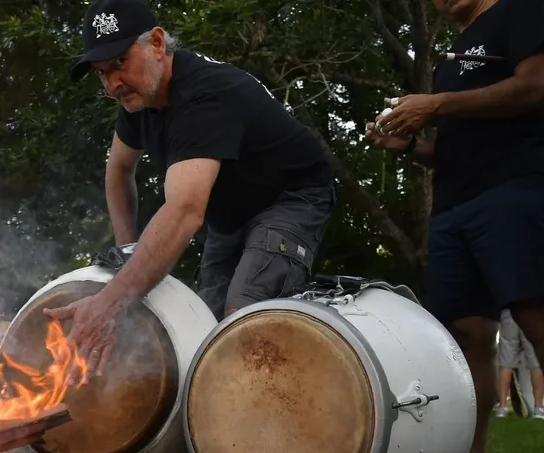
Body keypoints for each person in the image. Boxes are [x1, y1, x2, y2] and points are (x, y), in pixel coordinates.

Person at [365, 0, 544, 453]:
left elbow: (537, 87)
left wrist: (437, 104)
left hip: (516, 187)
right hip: (454, 207)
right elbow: (453, 151)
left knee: (543, 318)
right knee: (466, 335)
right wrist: (408, 147)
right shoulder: (452, 56)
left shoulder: (521, 10)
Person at [46, 0, 335, 376]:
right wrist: (127, 253)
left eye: (120, 62)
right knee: (202, 328)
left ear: (157, 43)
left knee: (243, 320)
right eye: (102, 73)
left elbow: (184, 212)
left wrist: (110, 302)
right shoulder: (138, 99)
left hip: (291, 198)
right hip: (228, 213)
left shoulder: (203, 96)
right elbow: (118, 170)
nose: (113, 84)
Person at [495, 309, 544, 419]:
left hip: (508, 310)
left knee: (506, 361)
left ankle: (502, 407)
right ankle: (538, 407)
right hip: (532, 310)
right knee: (535, 359)